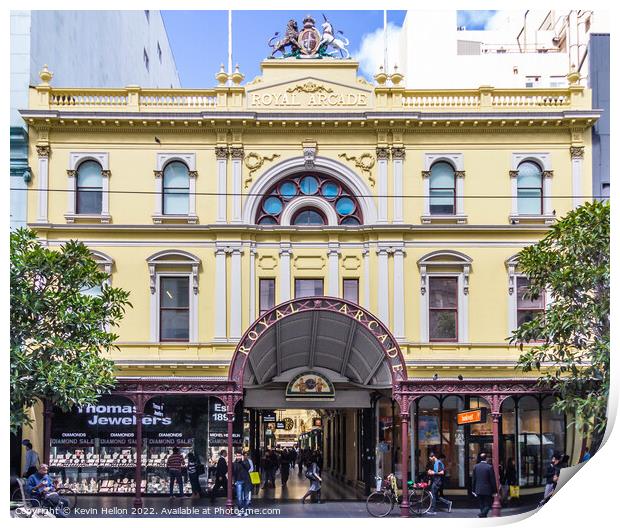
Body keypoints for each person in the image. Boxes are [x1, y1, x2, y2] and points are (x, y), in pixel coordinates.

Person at [471, 452, 497, 518]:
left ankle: (483, 516)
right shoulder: (489, 467)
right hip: (487, 490)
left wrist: (473, 490)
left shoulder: (475, 467)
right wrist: (495, 491)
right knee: (489, 504)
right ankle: (481, 515)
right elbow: (492, 480)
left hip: (478, 489)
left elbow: (473, 479)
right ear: (486, 459)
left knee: (481, 504)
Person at [232, 450, 252, 517]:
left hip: (246, 481)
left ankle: (245, 511)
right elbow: (233, 473)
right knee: (239, 497)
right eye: (237, 456)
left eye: (240, 456)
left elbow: (248, 468)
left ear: (242, 456)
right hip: (238, 481)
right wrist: (234, 481)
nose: (238, 457)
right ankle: (240, 510)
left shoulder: (245, 461)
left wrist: (243, 461)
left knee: (246, 497)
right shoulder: (234, 463)